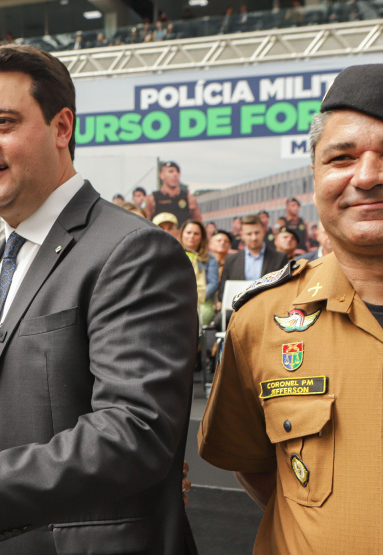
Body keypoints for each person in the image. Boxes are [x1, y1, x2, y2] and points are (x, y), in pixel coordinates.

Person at [0, 44, 198, 554]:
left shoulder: (131, 251)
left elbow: (134, 432)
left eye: (2, 122)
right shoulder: (9, 253)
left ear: (61, 128)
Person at [198, 63, 383, 553]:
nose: (366, 176)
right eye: (342, 158)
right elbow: (255, 464)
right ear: (316, 175)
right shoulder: (260, 319)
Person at [217, 214, 289, 302]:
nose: (253, 237)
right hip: (237, 310)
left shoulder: (280, 258)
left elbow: (285, 290)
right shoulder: (230, 260)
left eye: (257, 233)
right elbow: (222, 293)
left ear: (263, 232)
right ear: (242, 235)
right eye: (249, 234)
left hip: (269, 309)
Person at [180, 219, 218, 319]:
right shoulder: (174, 254)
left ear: (202, 237)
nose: (192, 236)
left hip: (202, 300)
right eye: (188, 232)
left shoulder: (210, 258)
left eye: (196, 233)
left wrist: (197, 297)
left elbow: (213, 283)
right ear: (182, 234)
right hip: (179, 299)